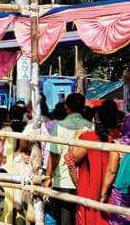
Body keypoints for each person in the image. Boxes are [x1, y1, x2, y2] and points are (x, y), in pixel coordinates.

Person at [67, 101, 122, 225]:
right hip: (112, 193)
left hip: (90, 190)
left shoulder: (89, 138)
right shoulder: (117, 139)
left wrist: (76, 138)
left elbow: (74, 157)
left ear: (94, 121)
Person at [45, 93, 93, 225]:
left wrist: (48, 176)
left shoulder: (59, 126)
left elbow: (54, 155)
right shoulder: (90, 126)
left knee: (65, 219)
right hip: (84, 181)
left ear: (67, 107)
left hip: (64, 181)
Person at [101, 114, 130, 225]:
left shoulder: (118, 144)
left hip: (122, 191)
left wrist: (103, 195)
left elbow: (112, 171)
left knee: (120, 219)